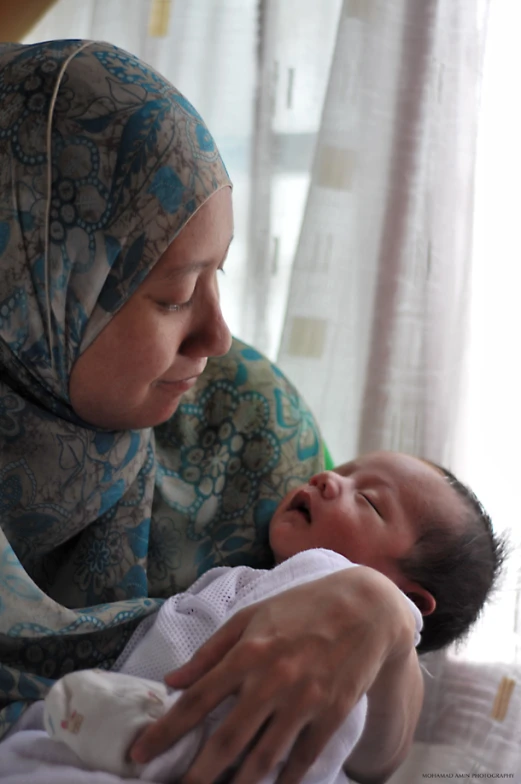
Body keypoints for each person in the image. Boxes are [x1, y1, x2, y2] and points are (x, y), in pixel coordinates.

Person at [0, 38, 472, 784]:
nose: (217, 336)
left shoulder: (242, 423)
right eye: (173, 294)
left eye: (217, 274)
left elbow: (380, 751)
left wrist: (379, 618)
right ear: (33, 286)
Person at [20, 452, 499, 784]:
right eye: (341, 470)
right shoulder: (259, 577)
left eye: (369, 501)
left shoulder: (329, 581)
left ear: (408, 598)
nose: (327, 480)